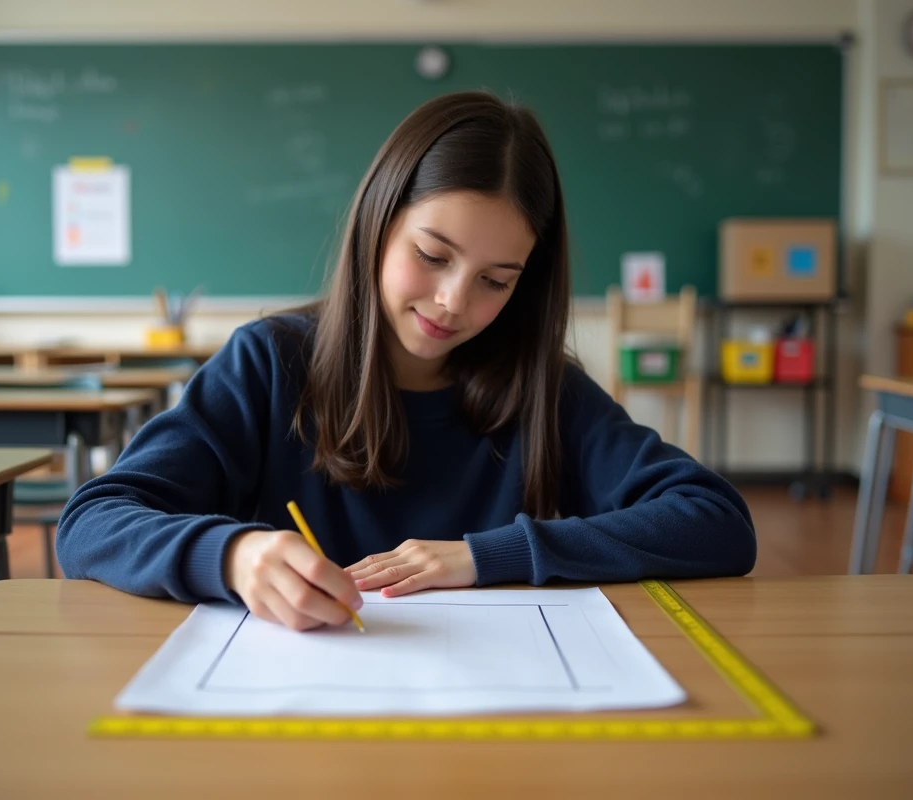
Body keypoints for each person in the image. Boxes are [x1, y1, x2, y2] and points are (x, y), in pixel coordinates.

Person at [56, 90, 755, 632]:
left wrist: (487, 555)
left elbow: (716, 520)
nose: (453, 301)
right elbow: (92, 522)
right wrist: (232, 555)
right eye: (432, 255)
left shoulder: (544, 391)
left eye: (495, 280)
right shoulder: (269, 363)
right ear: (378, 223)